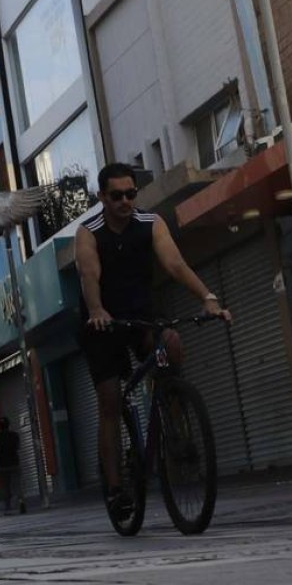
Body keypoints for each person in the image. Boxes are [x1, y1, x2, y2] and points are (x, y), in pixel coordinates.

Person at [75, 163, 230, 520]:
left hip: (142, 316)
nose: (126, 201)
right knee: (111, 400)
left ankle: (173, 424)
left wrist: (208, 297)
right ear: (102, 197)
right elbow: (89, 275)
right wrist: (97, 310)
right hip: (102, 325)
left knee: (171, 342)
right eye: (117, 196)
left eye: (131, 193)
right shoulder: (89, 233)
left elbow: (175, 264)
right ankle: (116, 489)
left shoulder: (150, 224)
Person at [0, 417, 24, 515]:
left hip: (2, 465)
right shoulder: (14, 435)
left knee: (6, 487)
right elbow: (18, 447)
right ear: (9, 425)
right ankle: (21, 502)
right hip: (14, 463)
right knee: (17, 485)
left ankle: (8, 507)